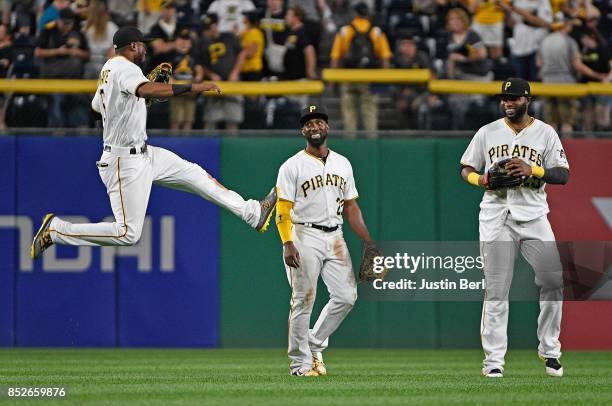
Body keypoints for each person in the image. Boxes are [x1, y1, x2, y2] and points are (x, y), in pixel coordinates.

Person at [31, 26, 277, 260]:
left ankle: (253, 213)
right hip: (124, 162)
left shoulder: (109, 69)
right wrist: (194, 87)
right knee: (128, 233)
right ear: (134, 46)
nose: (146, 51)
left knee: (195, 174)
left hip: (143, 154)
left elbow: (97, 108)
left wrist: (137, 99)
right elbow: (146, 90)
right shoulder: (125, 67)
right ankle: (56, 230)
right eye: (143, 46)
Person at [459, 78, 570, 378]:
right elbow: (465, 168)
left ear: (527, 100)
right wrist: (480, 180)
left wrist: (532, 169)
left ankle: (550, 350)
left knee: (553, 282)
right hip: (496, 215)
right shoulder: (487, 132)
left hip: (534, 216)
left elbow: (562, 174)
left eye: (514, 98)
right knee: (496, 290)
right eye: (504, 99)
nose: (508, 103)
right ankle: (493, 361)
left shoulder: (545, 133)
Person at [275, 104, 373, 376]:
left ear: (327, 127)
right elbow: (282, 210)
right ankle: (300, 364)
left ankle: (314, 343)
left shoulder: (343, 163)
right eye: (309, 123)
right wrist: (287, 242)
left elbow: (351, 207)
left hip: (335, 234)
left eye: (319, 122)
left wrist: (367, 241)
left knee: (347, 296)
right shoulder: (292, 165)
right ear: (302, 130)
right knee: (303, 299)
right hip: (303, 234)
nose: (314, 127)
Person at [538, 14, 608, 137]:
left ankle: (550, 153)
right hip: (565, 84)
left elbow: (539, 63)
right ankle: (566, 152)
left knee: (551, 123)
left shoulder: (544, 40)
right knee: (567, 123)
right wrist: (598, 76)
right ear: (564, 25)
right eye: (570, 24)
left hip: (547, 83)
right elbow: (578, 65)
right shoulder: (569, 41)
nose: (571, 27)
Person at [330, 1, 392, 135]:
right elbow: (385, 58)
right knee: (370, 114)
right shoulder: (376, 31)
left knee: (349, 115)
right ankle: (372, 147)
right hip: (370, 78)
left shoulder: (345, 30)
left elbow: (335, 58)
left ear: (354, 13)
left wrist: (333, 81)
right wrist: (383, 80)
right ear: (367, 14)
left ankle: (351, 146)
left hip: (349, 77)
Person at [34, 7, 90, 128]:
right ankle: (57, 131)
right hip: (52, 75)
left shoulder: (77, 32)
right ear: (58, 20)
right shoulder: (49, 30)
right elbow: (38, 52)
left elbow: (87, 55)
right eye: (64, 23)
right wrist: (58, 51)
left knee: (80, 97)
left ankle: (82, 131)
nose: (67, 26)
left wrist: (77, 52)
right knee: (57, 98)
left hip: (73, 78)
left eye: (69, 23)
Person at [195, 13, 245, 131]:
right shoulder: (201, 42)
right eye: (206, 29)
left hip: (233, 83)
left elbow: (242, 54)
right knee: (210, 121)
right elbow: (199, 63)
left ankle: (233, 147)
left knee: (233, 120)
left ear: (216, 26)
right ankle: (207, 147)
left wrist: (235, 72)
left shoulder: (229, 37)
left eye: (210, 27)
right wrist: (211, 74)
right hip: (213, 84)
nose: (208, 31)